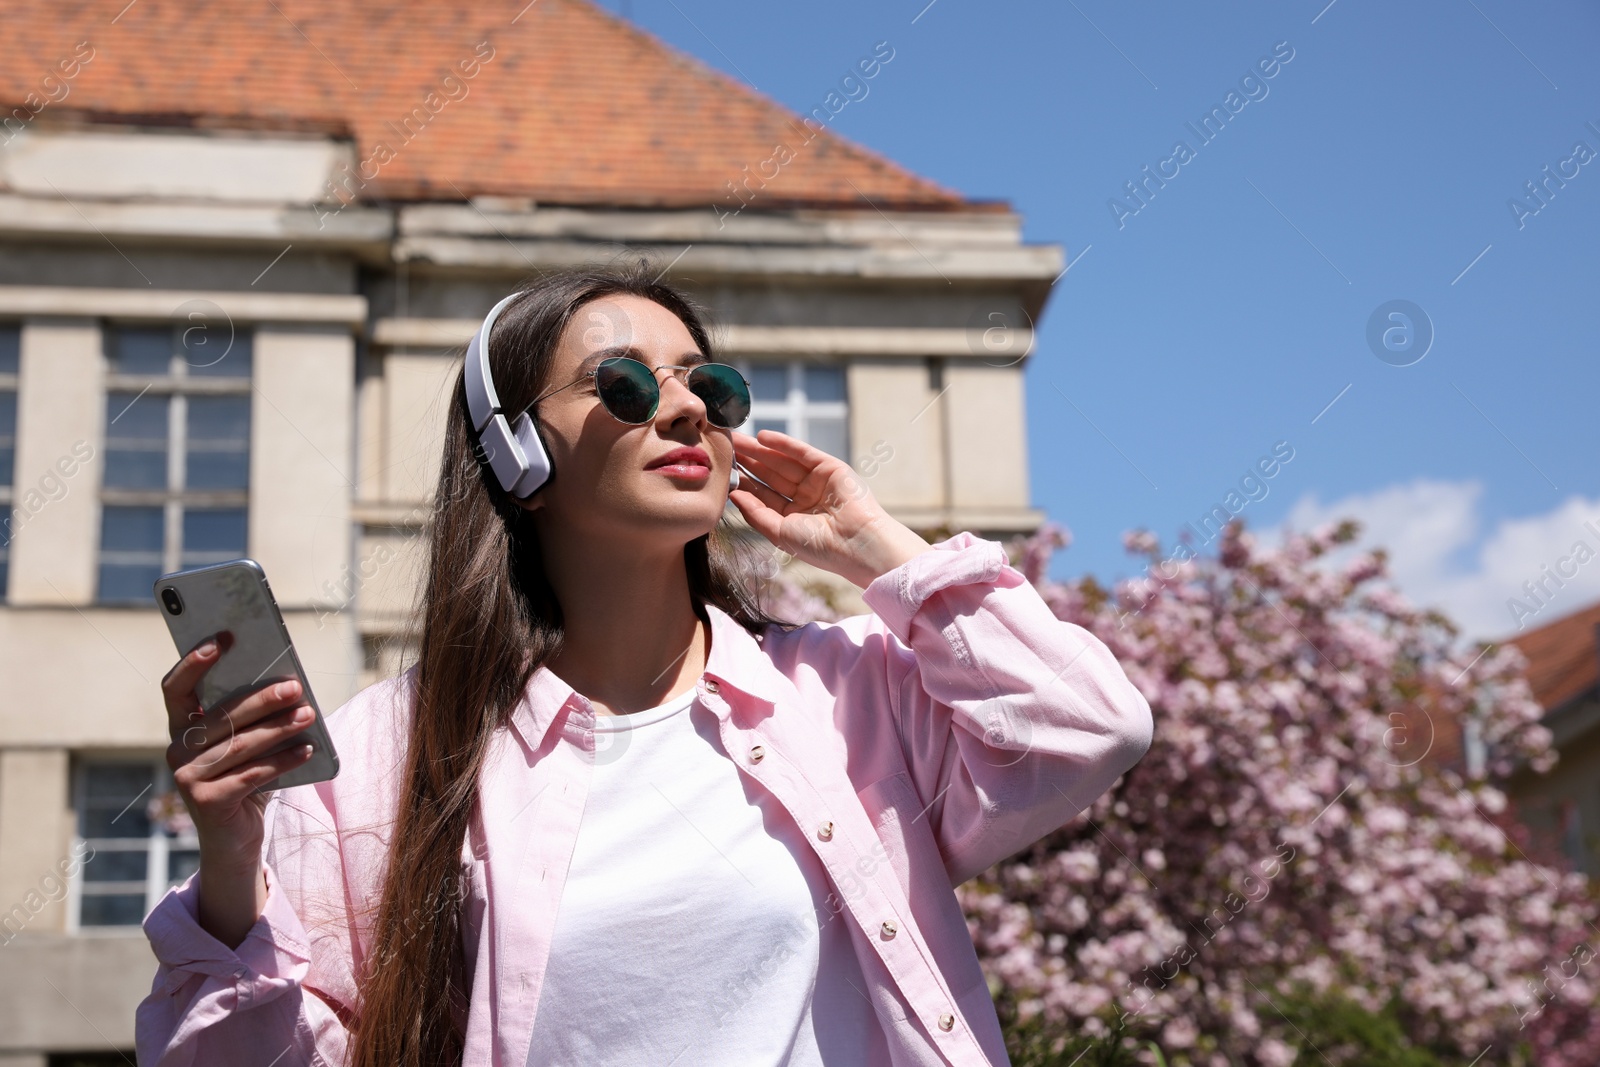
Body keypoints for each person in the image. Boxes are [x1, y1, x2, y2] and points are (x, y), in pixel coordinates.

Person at [135, 264, 1154, 1067]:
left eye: (707, 384)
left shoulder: (850, 693)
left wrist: (878, 545)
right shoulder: (382, 756)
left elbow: (1085, 730)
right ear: (517, 459)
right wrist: (231, 868)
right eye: (621, 382)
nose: (686, 412)